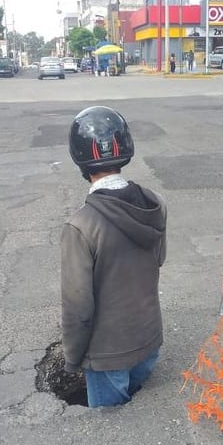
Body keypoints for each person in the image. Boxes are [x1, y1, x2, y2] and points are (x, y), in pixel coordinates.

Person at [61, 106, 167, 408]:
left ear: (79, 158)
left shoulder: (81, 226)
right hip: (149, 340)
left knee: (111, 427)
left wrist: (72, 358)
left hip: (108, 356)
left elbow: (79, 308)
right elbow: (158, 259)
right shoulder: (155, 203)